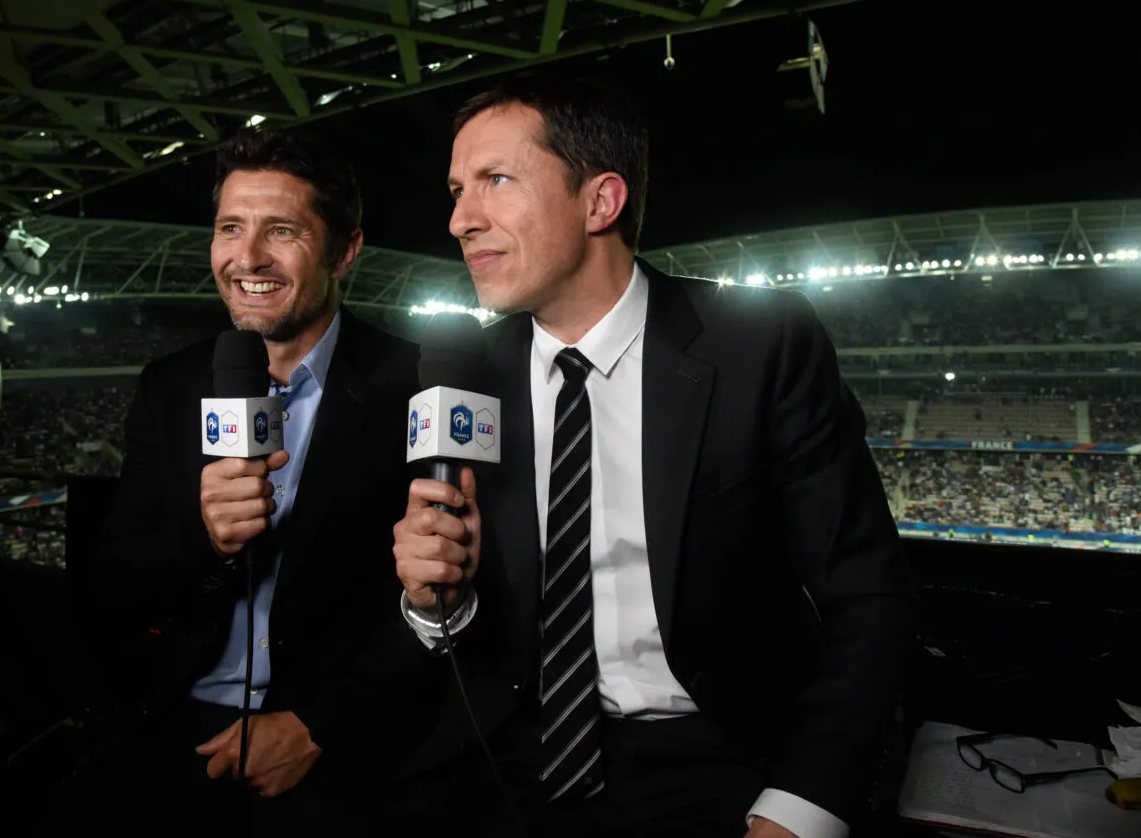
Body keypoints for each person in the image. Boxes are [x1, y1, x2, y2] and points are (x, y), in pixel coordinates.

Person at [391, 73, 915, 837]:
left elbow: (867, 592)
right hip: (509, 758)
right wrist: (433, 595)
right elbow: (454, 629)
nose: (459, 219)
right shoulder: (464, 375)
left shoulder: (758, 346)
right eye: (456, 189)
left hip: (720, 758)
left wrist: (804, 806)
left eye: (495, 181)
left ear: (600, 201)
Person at [46, 128, 422, 834]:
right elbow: (111, 583)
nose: (247, 259)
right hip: (179, 722)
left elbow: (444, 608)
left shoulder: (416, 384)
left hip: (336, 738)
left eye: (281, 231)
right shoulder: (171, 385)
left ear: (345, 250)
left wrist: (318, 724)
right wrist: (205, 537)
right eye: (230, 228)